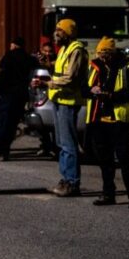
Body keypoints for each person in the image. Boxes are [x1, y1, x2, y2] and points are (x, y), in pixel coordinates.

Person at [32, 19, 88, 197]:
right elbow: (58, 70)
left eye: (59, 30)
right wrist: (47, 64)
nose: (56, 33)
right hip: (59, 100)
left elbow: (69, 78)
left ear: (68, 32)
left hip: (68, 102)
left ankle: (72, 183)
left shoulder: (76, 50)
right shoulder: (64, 49)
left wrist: (47, 82)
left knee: (68, 143)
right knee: (61, 143)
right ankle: (65, 180)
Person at [82, 37, 129, 206]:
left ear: (112, 53)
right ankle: (108, 194)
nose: (102, 58)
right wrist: (92, 90)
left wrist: (111, 96)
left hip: (119, 119)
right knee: (104, 160)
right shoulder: (94, 65)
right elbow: (83, 89)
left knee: (124, 158)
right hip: (99, 119)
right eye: (100, 54)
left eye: (105, 54)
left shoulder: (127, 65)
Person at [0, 37, 37, 161]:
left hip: (7, 94)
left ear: (13, 45)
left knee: (4, 123)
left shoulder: (8, 57)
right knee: (13, 124)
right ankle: (5, 149)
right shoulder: (29, 59)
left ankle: (1, 151)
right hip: (22, 94)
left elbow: (2, 76)